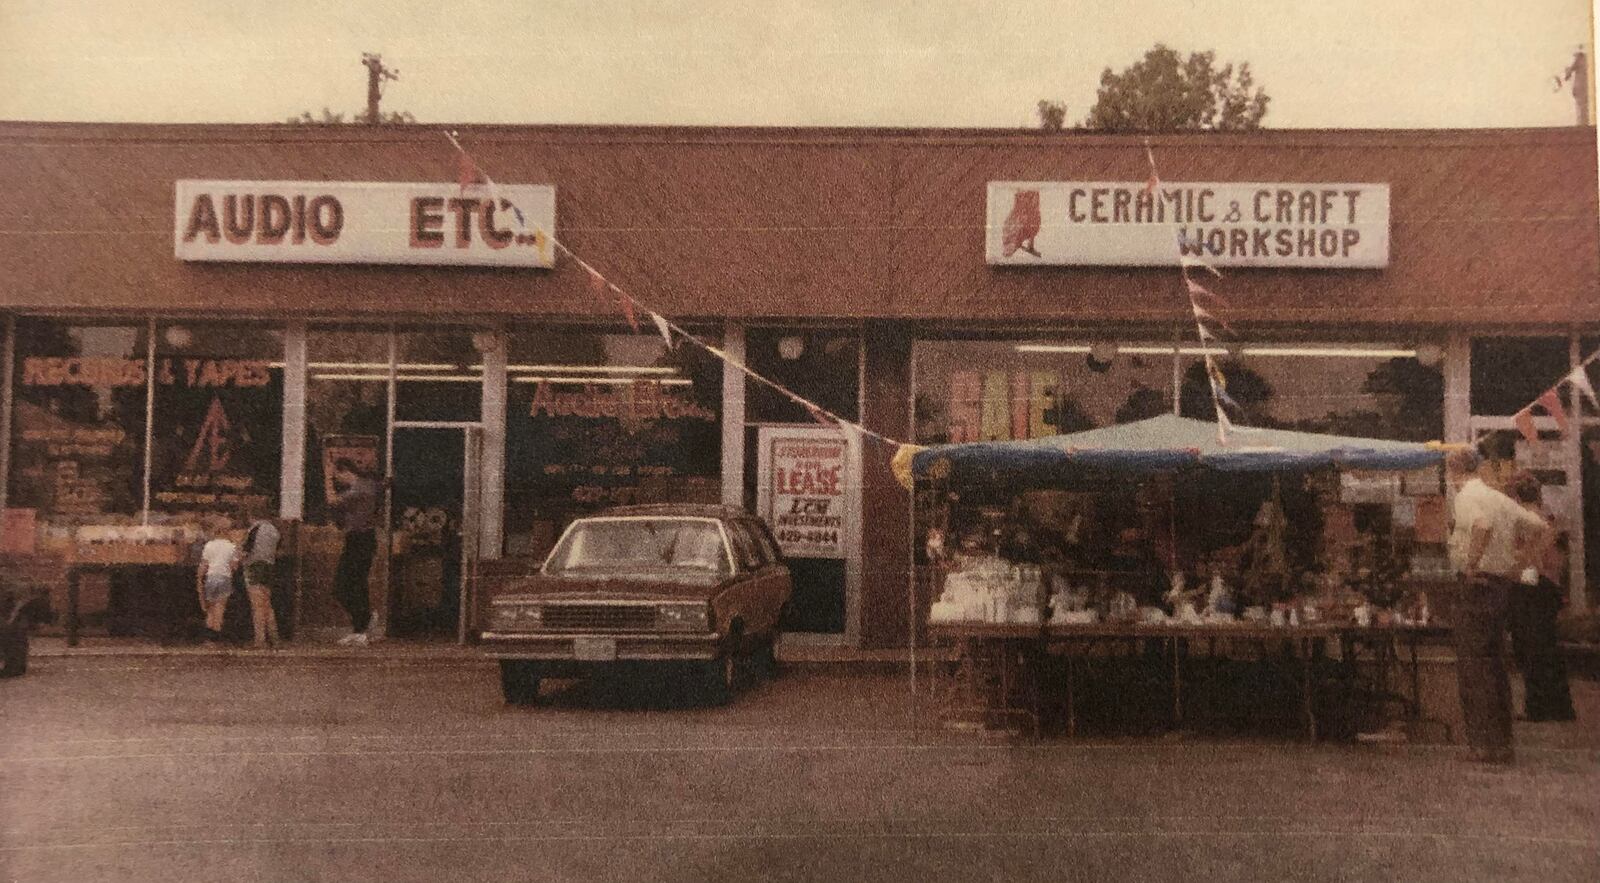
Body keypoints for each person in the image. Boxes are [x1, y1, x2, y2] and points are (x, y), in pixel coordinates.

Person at [1445, 449, 1548, 764]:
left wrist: (1472, 564)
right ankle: (1503, 743)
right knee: (1496, 665)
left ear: (1454, 471)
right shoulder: (1498, 497)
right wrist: (1520, 561)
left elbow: (1482, 525)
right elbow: (1538, 525)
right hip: (1502, 586)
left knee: (1474, 667)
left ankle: (1482, 745)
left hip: (1477, 586)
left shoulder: (1466, 497)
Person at [1506, 471, 1577, 723]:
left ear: (1516, 495)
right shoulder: (1547, 520)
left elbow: (1528, 559)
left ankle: (1537, 706)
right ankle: (1558, 706)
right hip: (1548, 587)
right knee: (1547, 648)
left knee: (1531, 647)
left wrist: (1515, 567)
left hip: (1532, 587)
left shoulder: (1526, 520)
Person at [330, 459, 380, 646]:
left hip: (361, 539)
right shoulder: (368, 486)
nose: (337, 480)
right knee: (351, 584)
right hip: (358, 539)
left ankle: (362, 625)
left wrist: (326, 477)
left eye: (337, 475)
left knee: (350, 584)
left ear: (345, 471)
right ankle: (361, 624)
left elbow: (332, 500)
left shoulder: (360, 489)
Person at [241, 502, 283, 648]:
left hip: (254, 567)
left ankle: (260, 640)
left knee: (257, 605)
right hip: (269, 566)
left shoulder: (255, 529)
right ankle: (275, 637)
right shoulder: (274, 530)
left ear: (251, 516)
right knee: (267, 604)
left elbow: (246, 551)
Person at [196, 529, 239, 640]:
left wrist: (199, 578)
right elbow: (234, 566)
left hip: (211, 577)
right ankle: (217, 634)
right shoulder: (232, 546)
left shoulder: (209, 545)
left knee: (210, 608)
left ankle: (209, 636)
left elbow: (204, 564)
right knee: (220, 607)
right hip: (225, 577)